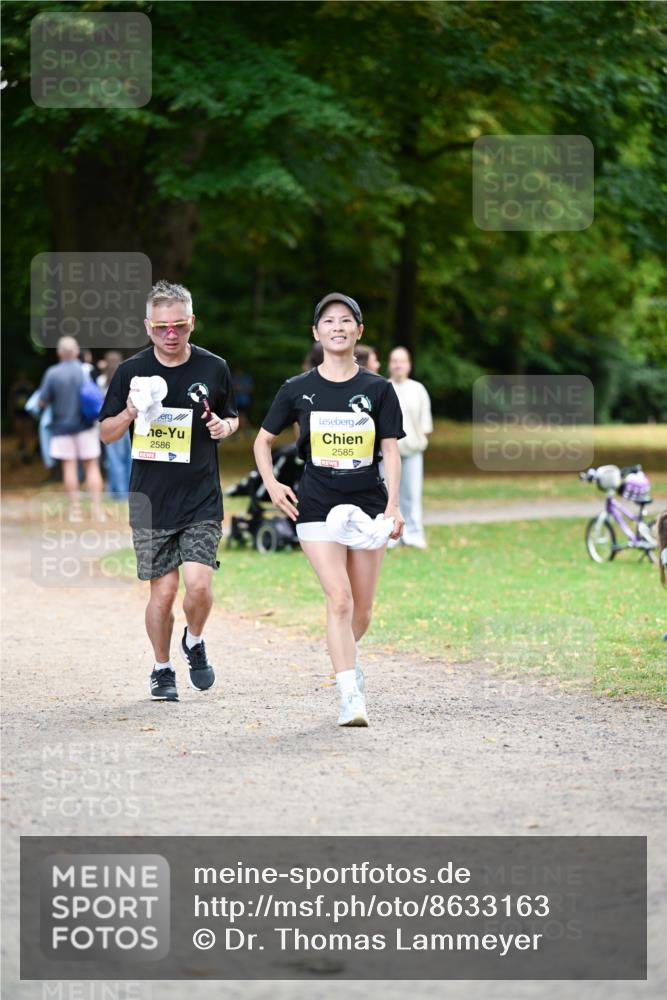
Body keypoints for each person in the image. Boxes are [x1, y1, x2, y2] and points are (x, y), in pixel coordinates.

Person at [254, 293, 405, 728]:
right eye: (328, 322)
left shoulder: (378, 389)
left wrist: (394, 507)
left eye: (346, 321)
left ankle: (346, 659)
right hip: (316, 503)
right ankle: (349, 695)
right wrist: (272, 484)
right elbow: (262, 441)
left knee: (362, 610)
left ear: (359, 331)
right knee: (338, 598)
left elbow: (391, 452)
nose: (337, 327)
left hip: (369, 504)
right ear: (316, 334)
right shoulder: (297, 389)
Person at [99, 280, 239, 702]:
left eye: (179, 325)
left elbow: (232, 418)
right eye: (161, 327)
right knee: (162, 593)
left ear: (192, 322)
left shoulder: (214, 368)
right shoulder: (131, 372)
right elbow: (106, 433)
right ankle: (162, 669)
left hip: (200, 497)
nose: (170, 334)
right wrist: (129, 411)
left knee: (198, 586)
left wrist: (224, 427)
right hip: (151, 500)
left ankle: (193, 640)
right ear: (148, 326)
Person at [37, 336, 104, 521]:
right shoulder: (84, 371)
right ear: (76, 352)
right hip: (86, 425)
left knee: (69, 467)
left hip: (61, 427)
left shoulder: (52, 373)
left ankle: (75, 511)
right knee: (91, 466)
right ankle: (97, 510)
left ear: (59, 353)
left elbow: (42, 401)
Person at [388, 346, 433, 549]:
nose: (398, 365)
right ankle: (389, 536)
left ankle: (414, 536)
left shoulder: (418, 389)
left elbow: (425, 423)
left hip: (413, 451)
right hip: (389, 453)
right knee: (389, 494)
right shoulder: (383, 387)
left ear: (409, 364)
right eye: (394, 361)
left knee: (412, 495)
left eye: (402, 361)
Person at [97, 350, 131, 500]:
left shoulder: (101, 381)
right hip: (127, 423)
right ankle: (130, 491)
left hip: (110, 425)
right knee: (129, 459)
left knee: (114, 460)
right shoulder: (128, 378)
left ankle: (119, 493)